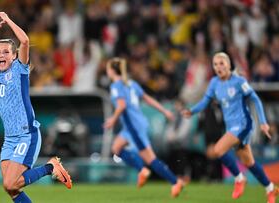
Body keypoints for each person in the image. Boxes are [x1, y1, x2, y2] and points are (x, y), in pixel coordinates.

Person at [0, 12, 72, 203]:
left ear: (14, 56)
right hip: (10, 139)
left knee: (10, 183)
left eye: (6, 52)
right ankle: (50, 167)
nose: (1, 55)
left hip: (27, 134)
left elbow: (24, 41)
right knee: (11, 190)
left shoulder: (19, 70)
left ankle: (51, 167)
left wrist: (7, 21)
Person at [181, 52, 279, 203]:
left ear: (228, 65)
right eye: (215, 64)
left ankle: (239, 178)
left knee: (218, 149)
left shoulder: (239, 81)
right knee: (249, 163)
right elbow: (205, 101)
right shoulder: (214, 82)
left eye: (222, 63)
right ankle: (271, 189)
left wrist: (263, 122)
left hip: (243, 124)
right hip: (231, 127)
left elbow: (256, 99)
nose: (218, 67)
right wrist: (191, 111)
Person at [104, 58, 184, 197]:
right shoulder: (131, 84)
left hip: (134, 126)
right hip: (133, 126)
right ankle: (142, 170)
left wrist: (112, 119)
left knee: (150, 159)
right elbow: (147, 99)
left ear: (111, 70)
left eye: (108, 69)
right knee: (116, 148)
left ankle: (174, 181)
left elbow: (121, 105)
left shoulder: (116, 86)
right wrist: (164, 111)